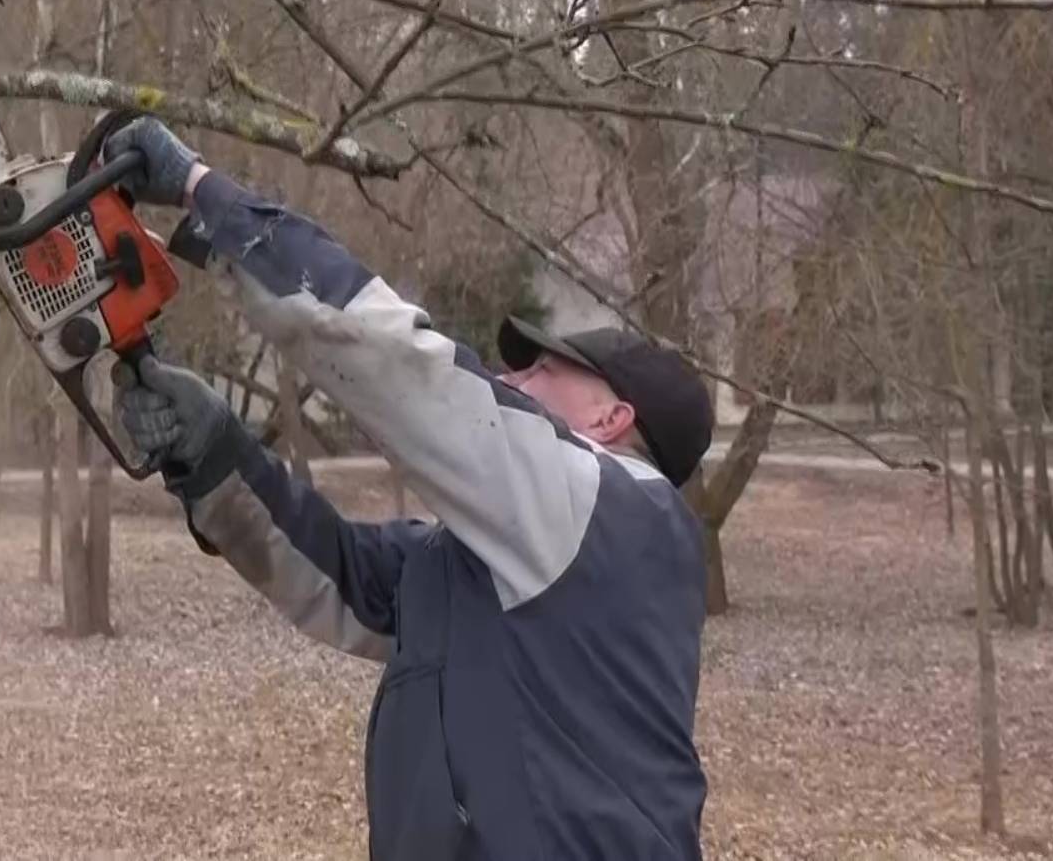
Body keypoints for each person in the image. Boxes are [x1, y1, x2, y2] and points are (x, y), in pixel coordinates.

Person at [102, 117, 715, 861]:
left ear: (613, 416)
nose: (507, 382)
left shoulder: (615, 506)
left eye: (539, 374)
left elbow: (406, 370)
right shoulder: (501, 555)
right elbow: (343, 575)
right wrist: (212, 452)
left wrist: (205, 196)